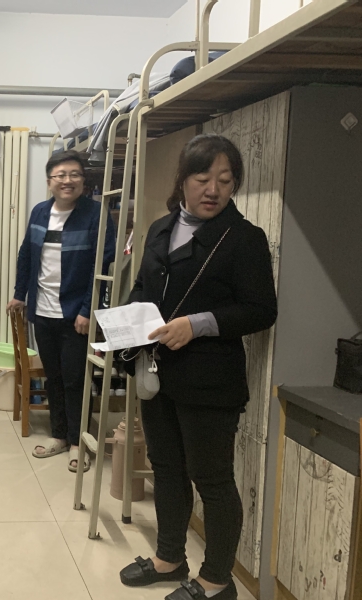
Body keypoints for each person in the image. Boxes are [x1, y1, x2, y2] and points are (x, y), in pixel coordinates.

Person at [118, 134, 277, 600]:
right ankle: (169, 558)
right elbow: (143, 289)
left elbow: (261, 310)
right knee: (167, 468)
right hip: (158, 373)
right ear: (183, 180)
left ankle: (216, 581)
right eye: (203, 178)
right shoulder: (161, 228)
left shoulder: (244, 238)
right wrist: (124, 325)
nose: (213, 190)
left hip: (210, 381)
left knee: (212, 480)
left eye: (225, 181)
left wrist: (198, 324)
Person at [6, 150, 116, 472]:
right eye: (61, 175)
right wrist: (20, 294)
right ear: (49, 181)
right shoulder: (40, 212)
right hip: (43, 311)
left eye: (74, 174)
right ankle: (59, 435)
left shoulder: (95, 214)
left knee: (75, 380)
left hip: (76, 315)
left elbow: (102, 267)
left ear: (83, 180)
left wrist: (87, 310)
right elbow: (26, 255)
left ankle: (78, 442)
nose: (67, 181)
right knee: (53, 377)